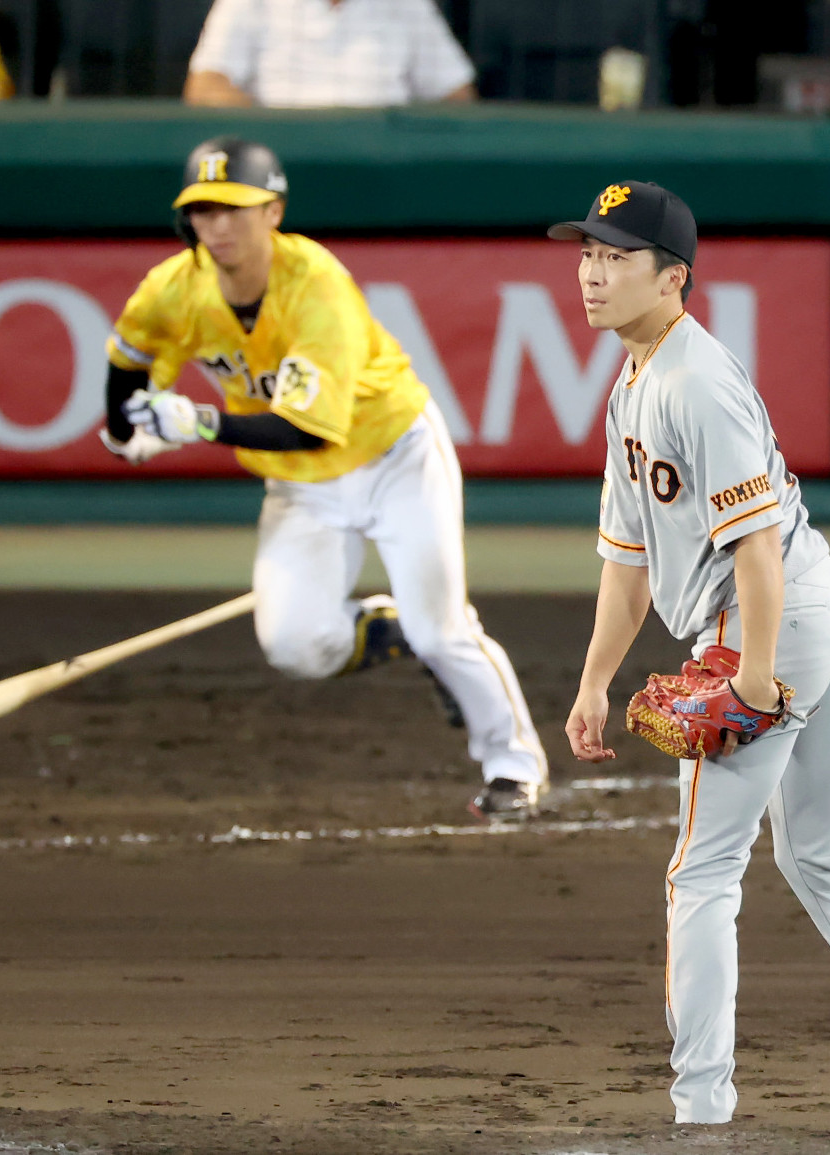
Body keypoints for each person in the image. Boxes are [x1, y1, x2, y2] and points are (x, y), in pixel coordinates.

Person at [554, 181, 830, 1127]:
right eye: (587, 253)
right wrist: (591, 683)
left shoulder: (695, 381)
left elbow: (758, 547)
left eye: (615, 257)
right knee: (821, 852)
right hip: (810, 618)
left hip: (774, 623)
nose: (591, 272)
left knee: (701, 870)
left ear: (675, 279)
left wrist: (750, 672)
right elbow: (625, 565)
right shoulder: (633, 384)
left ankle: (700, 1108)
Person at [99, 136, 547, 821]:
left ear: (273, 211)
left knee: (444, 629)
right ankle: (389, 626)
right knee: (297, 646)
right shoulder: (173, 288)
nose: (217, 226)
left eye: (234, 209)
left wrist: (200, 423)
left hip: (396, 456)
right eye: (203, 211)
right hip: (300, 486)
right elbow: (128, 357)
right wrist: (127, 425)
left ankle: (513, 768)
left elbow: (308, 426)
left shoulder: (316, 285)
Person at [182, 0, 475, 109]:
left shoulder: (407, 5)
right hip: (279, 169)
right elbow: (206, 88)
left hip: (382, 168)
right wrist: (274, 136)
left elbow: (457, 96)